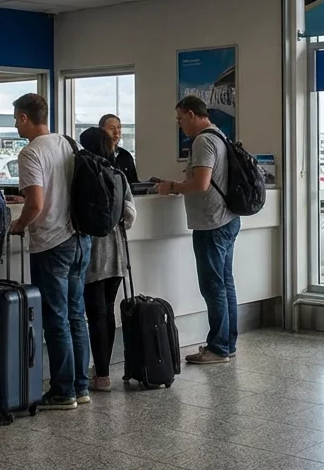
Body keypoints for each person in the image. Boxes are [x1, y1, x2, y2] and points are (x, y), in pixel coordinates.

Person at [10, 93, 91, 409]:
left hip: (51, 243)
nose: (16, 125)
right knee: (76, 315)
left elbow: (37, 203)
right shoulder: (69, 143)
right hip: (80, 239)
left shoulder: (30, 152)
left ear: (24, 117)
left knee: (56, 319)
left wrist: (19, 224)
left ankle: (62, 391)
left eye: (16, 119)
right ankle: (80, 387)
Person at [156, 96, 238, 365]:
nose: (180, 124)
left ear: (191, 114)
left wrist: (172, 187)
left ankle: (218, 348)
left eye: (180, 119)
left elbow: (201, 183)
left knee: (213, 287)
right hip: (227, 219)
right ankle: (227, 343)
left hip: (211, 223)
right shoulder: (220, 135)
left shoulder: (203, 141)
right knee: (225, 283)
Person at [79, 126, 135, 393]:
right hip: (116, 253)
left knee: (94, 313)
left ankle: (99, 374)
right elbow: (130, 215)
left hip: (91, 253)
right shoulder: (118, 174)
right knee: (107, 310)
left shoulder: (82, 173)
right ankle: (104, 373)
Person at [97, 114, 140, 184]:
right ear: (101, 130)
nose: (117, 132)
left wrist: (149, 184)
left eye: (119, 128)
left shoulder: (125, 155)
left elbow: (133, 184)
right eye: (112, 128)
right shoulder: (95, 157)